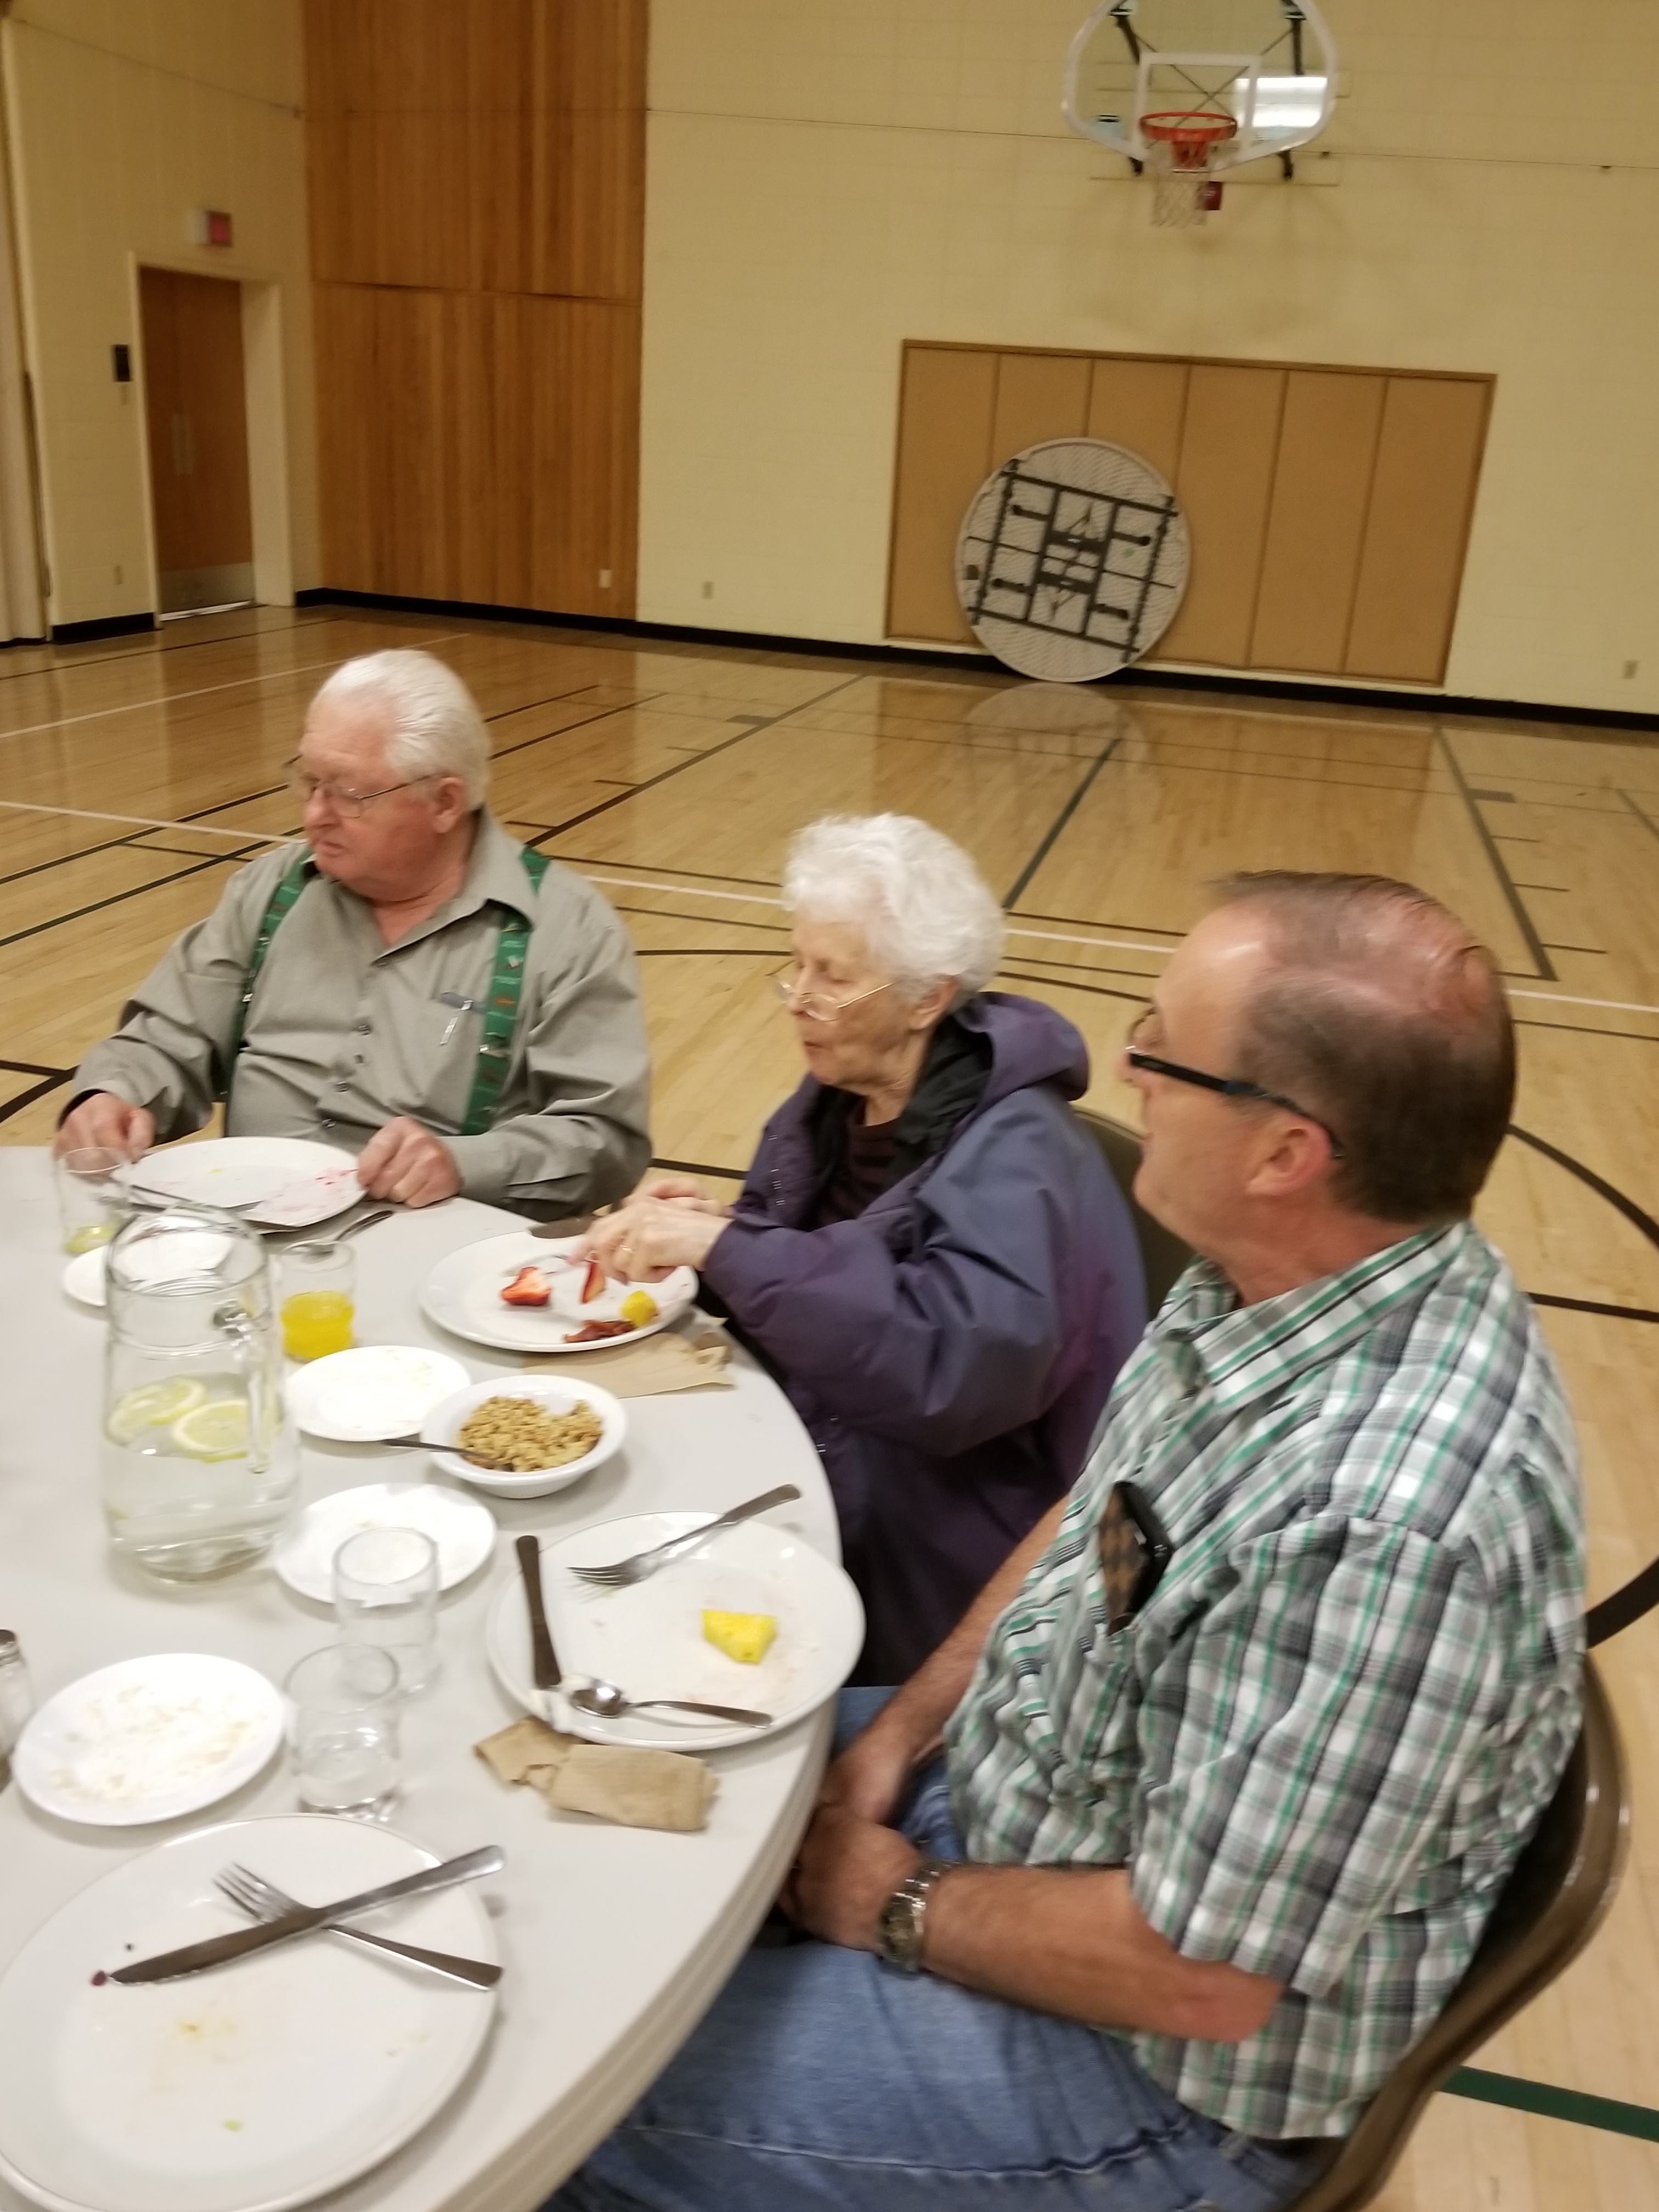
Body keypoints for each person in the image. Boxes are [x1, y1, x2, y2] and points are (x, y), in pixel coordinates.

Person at [551, 871, 1585, 2212]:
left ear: (1286, 1155)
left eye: (1162, 1047)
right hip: (1021, 1815)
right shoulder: (1269, 1283)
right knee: (602, 1797)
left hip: (1147, 2072)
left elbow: (1200, 1976)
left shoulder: (1388, 1522)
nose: (1130, 1070)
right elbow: (1099, 1520)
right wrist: (897, 1739)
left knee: (572, 2091)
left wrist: (896, 1900)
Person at [579, 814, 1147, 1683]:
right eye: (797, 965)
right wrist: (711, 1236)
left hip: (943, 1566)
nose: (798, 998)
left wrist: (734, 1250)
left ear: (926, 999)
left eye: (833, 977)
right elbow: (823, 1271)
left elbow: (945, 1367)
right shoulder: (838, 1102)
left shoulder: (1021, 1154)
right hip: (823, 1469)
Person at [55, 649, 650, 1215]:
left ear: (445, 803)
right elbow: (167, 1038)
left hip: (434, 1251)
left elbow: (605, 1138)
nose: (314, 814)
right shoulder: (269, 892)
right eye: (309, 782)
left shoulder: (565, 931)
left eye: (347, 793)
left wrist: (464, 1165)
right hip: (242, 1230)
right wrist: (115, 1094)